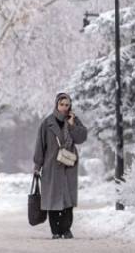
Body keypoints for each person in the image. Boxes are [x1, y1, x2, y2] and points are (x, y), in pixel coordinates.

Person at [33, 92, 87, 239]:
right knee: (53, 199)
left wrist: (71, 126)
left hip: (69, 165)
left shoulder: (74, 120)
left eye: (67, 105)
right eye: (61, 104)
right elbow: (40, 145)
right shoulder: (47, 123)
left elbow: (81, 138)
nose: (64, 107)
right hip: (51, 166)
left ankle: (66, 229)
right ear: (56, 104)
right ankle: (55, 230)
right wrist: (37, 165)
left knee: (67, 199)